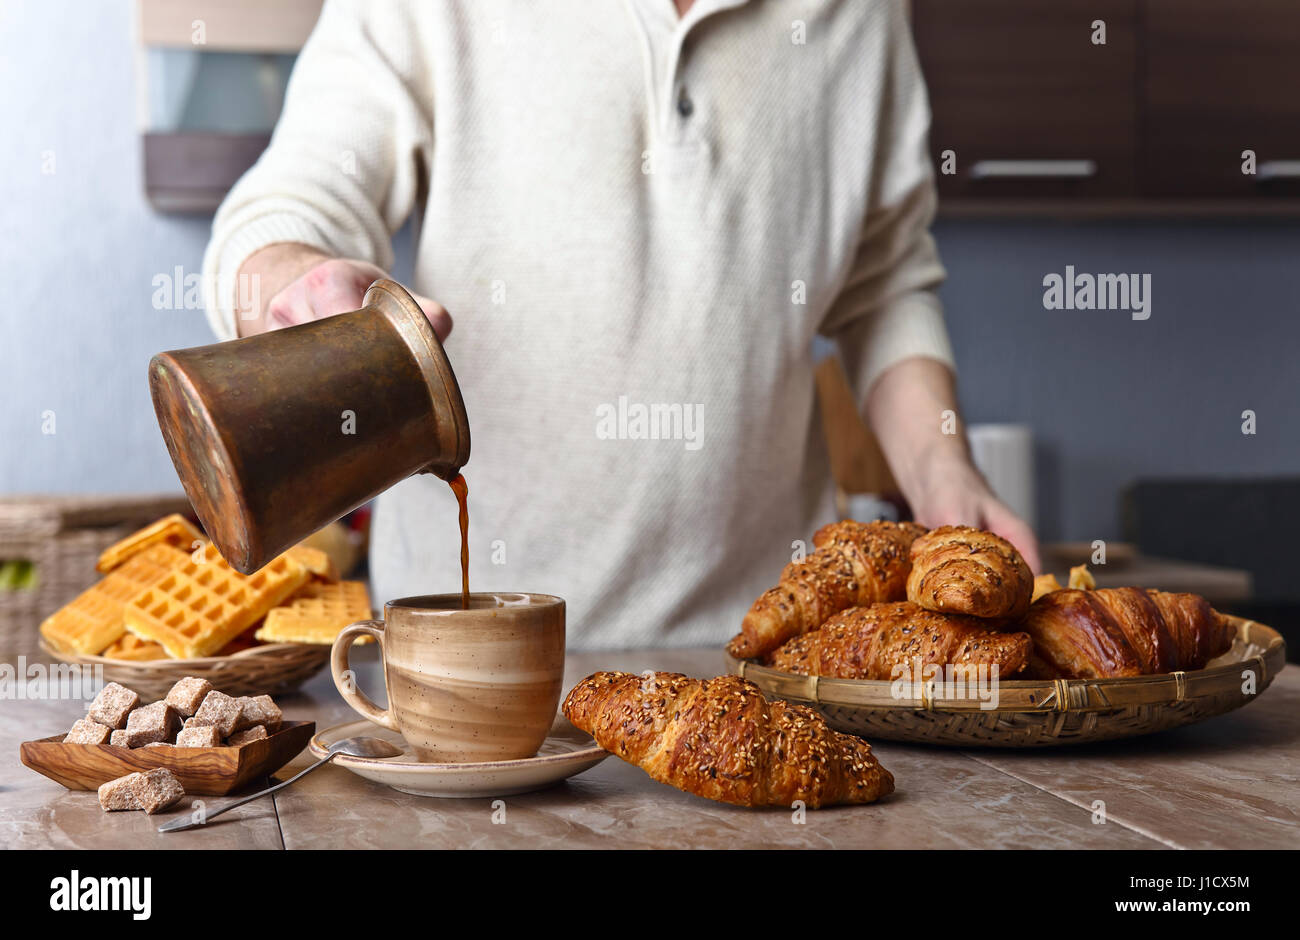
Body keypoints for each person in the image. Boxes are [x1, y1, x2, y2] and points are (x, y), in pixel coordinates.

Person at [202, 0, 1040, 649]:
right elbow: (293, 201)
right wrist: (300, 289)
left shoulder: (861, 15)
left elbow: (884, 278)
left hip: (771, 655)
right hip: (464, 659)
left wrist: (941, 473)